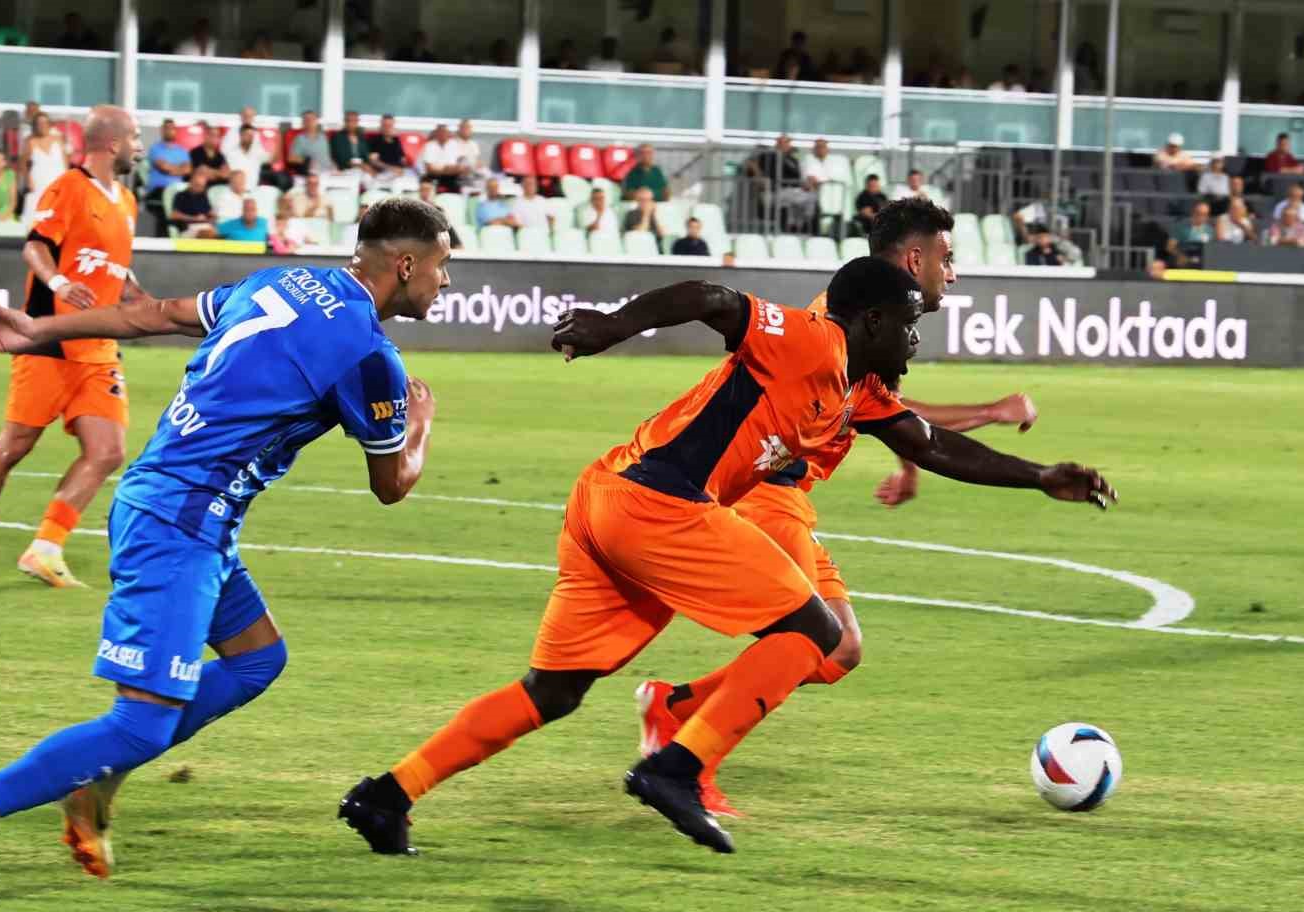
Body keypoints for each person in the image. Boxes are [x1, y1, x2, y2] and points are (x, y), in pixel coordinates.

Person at [339, 251, 1112, 855]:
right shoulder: (809, 338)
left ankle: (389, 794)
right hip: (657, 504)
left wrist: (1041, 477)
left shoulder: (859, 389)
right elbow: (712, 298)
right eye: (908, 324)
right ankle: (674, 767)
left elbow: (931, 445)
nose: (914, 340)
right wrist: (612, 324)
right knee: (815, 633)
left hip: (608, 500)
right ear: (871, 318)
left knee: (554, 690)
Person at [0, 199, 448, 898]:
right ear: (405, 264)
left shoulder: (282, 283)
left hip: (185, 510)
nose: (446, 281)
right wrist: (422, 424)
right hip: (177, 521)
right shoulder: (371, 358)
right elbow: (393, 483)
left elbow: (151, 315)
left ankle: (92, 790)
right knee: (138, 725)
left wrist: (39, 329)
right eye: (443, 265)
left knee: (257, 661)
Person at [637, 199, 1046, 814]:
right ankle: (688, 758)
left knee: (840, 648)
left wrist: (908, 465)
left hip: (789, 496)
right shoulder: (847, 317)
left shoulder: (879, 313)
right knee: (817, 638)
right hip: (766, 490)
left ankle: (676, 709)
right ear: (915, 258)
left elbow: (884, 409)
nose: (952, 273)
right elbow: (892, 414)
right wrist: (989, 411)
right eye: (947, 258)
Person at [0, 106, 144, 591]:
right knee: (12, 450)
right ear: (111, 143)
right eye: (134, 136)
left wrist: (136, 293)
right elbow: (35, 245)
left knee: (108, 451)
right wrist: (59, 281)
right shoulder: (68, 186)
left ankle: (46, 548)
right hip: (48, 343)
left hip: (99, 348)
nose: (139, 145)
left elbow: (113, 267)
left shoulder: (127, 201)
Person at [743, 134, 812, 229]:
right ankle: (796, 225)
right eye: (782, 143)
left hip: (792, 191)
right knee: (808, 198)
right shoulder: (768, 155)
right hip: (773, 191)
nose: (785, 145)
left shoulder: (793, 160)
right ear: (777, 144)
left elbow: (800, 178)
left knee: (810, 197)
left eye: (787, 143)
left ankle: (794, 225)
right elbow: (749, 163)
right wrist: (759, 176)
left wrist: (805, 184)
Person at [24, 111, 70, 202]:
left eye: (45, 122)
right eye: (39, 123)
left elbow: (66, 161)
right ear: (35, 125)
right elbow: (24, 164)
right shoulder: (30, 141)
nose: (42, 125)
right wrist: (29, 180)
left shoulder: (59, 139)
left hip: (57, 178)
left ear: (49, 124)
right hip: (38, 181)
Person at [417, 123, 466, 193]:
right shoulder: (429, 146)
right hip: (434, 177)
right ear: (436, 134)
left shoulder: (455, 145)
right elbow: (429, 169)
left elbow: (461, 165)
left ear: (448, 133)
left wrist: (449, 169)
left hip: (452, 177)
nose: (442, 134)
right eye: (440, 132)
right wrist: (446, 169)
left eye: (445, 132)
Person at [170, 165, 218, 237]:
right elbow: (174, 215)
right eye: (198, 185)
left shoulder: (203, 196)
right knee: (207, 234)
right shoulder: (181, 195)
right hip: (188, 227)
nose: (200, 188)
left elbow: (211, 213)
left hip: (205, 225)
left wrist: (213, 218)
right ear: (191, 182)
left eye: (202, 186)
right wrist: (194, 218)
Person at [287, 110, 331, 177]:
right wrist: (306, 160)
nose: (310, 122)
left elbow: (327, 157)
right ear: (303, 123)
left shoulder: (323, 137)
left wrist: (335, 168)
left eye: (312, 119)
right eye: (307, 120)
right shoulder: (300, 139)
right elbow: (291, 158)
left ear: (317, 121)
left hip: (328, 172)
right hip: (311, 174)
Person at [224, 124, 269, 189]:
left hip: (252, 192)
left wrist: (279, 137)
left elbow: (272, 159)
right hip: (234, 192)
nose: (251, 138)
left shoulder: (258, 153)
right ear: (241, 136)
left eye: (252, 136)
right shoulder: (231, 154)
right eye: (248, 135)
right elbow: (228, 174)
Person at [364, 114, 407, 180]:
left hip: (397, 173)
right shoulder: (374, 141)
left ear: (393, 126)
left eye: (390, 125)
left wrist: (401, 168)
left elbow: (403, 159)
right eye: (385, 125)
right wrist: (391, 168)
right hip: (381, 172)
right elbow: (373, 161)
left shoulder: (396, 140)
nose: (387, 128)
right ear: (381, 126)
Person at [330, 110, 370, 175]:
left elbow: (366, 155)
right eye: (348, 121)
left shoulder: (361, 137)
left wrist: (367, 165)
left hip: (362, 169)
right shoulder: (338, 137)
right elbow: (342, 159)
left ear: (357, 122)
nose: (350, 124)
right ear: (345, 122)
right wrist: (360, 165)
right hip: (345, 170)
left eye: (354, 121)